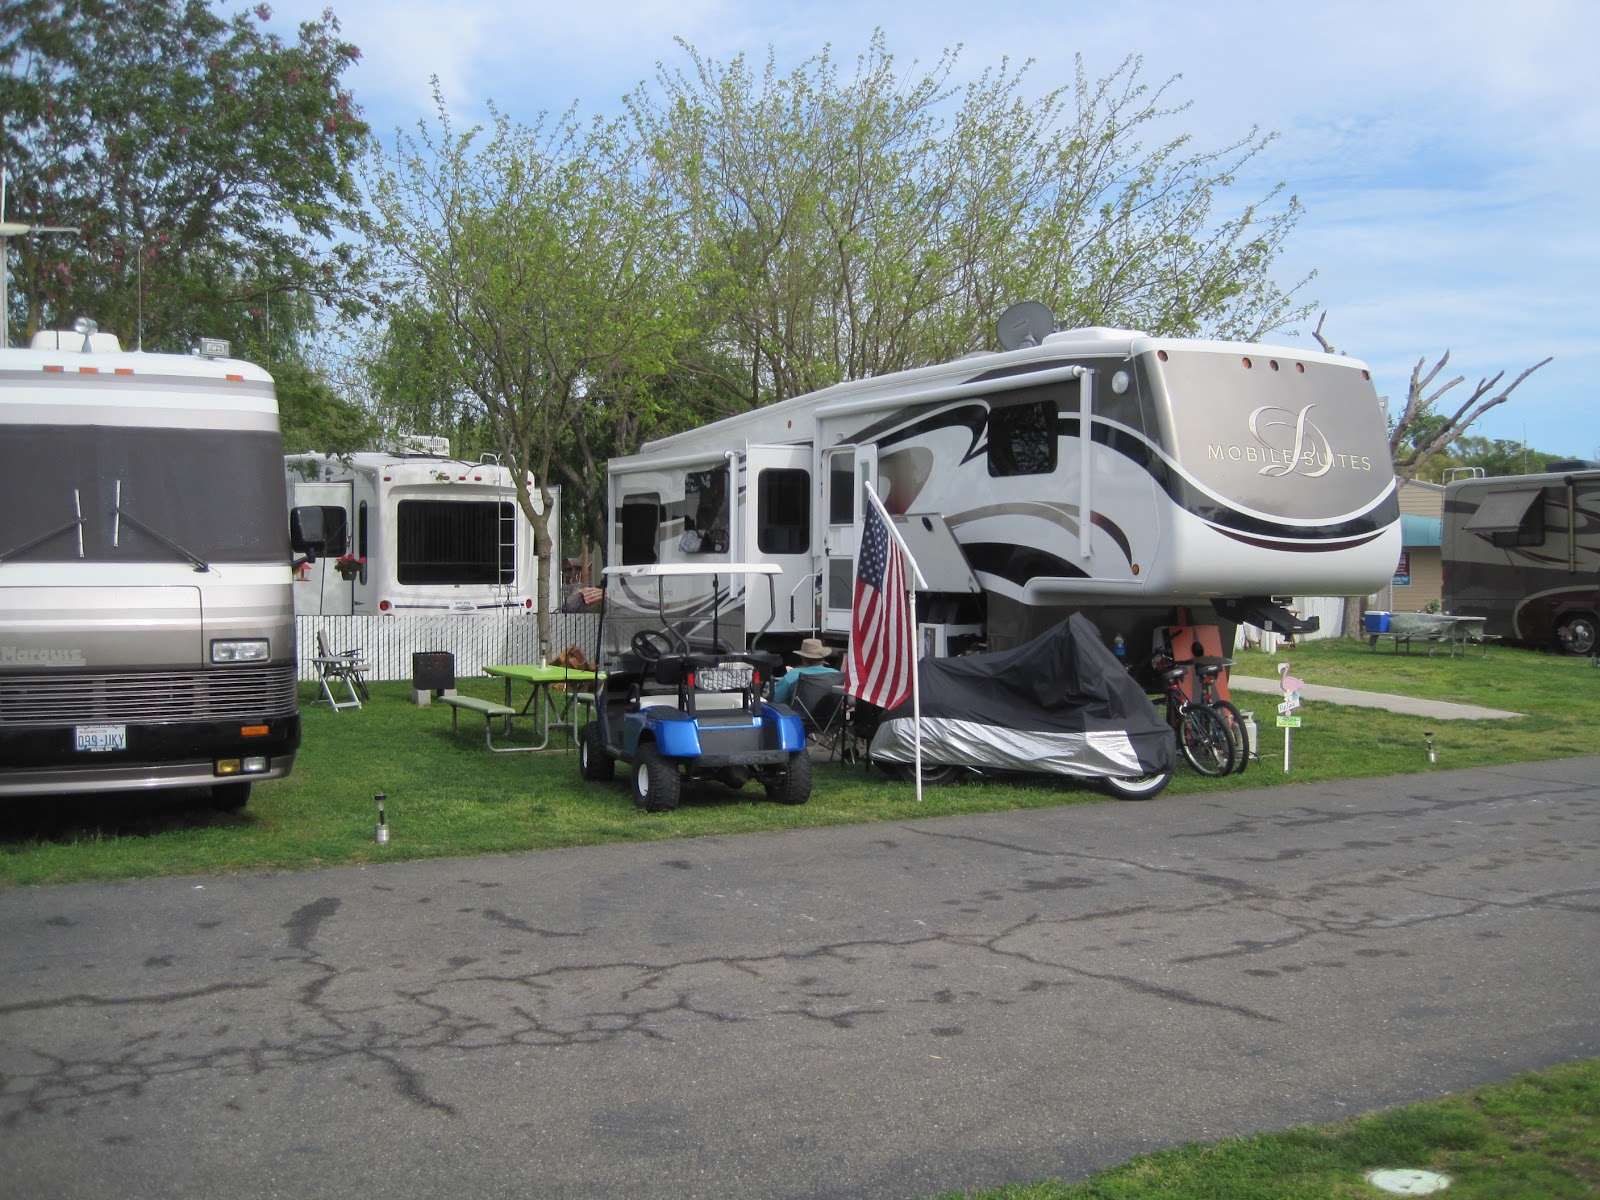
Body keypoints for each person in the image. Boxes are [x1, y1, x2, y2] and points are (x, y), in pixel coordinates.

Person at [773, 637, 841, 705]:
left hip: (798, 714)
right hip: (829, 715)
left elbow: (775, 699)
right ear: (823, 657)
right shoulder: (836, 674)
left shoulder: (793, 675)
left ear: (802, 657)